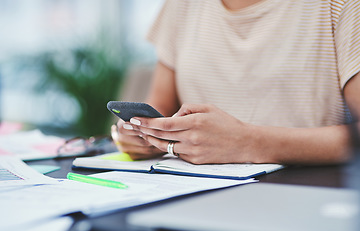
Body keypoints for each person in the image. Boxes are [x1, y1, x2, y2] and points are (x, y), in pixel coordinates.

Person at [111, 0, 360, 165]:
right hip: (191, 189)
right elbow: (160, 108)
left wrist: (249, 143)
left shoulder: (339, 5)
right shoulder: (183, 4)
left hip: (309, 189)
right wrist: (143, 135)